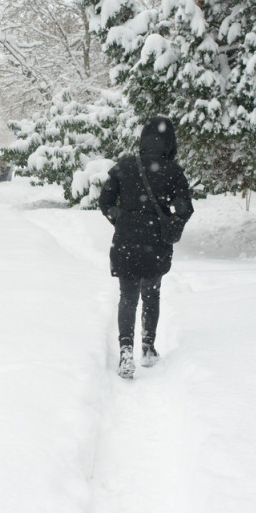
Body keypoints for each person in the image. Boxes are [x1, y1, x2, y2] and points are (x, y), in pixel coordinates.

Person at [98, 116, 194, 378]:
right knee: (151, 294)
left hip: (127, 240)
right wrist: (172, 223)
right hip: (155, 241)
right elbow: (185, 208)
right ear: (168, 140)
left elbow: (105, 200)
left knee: (128, 296)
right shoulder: (173, 171)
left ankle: (125, 351)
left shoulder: (125, 166)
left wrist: (121, 218)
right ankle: (148, 347)